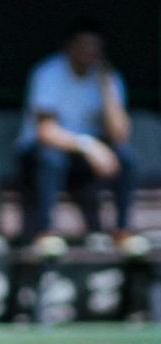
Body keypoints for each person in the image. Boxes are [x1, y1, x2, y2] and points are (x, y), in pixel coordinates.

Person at [16, 19, 145, 257]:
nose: (89, 52)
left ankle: (123, 231)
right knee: (52, 158)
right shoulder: (48, 73)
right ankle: (45, 232)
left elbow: (120, 134)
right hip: (41, 156)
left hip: (82, 162)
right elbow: (46, 132)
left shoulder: (108, 77)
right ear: (69, 47)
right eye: (83, 45)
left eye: (95, 47)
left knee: (125, 156)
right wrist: (89, 146)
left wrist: (107, 88)